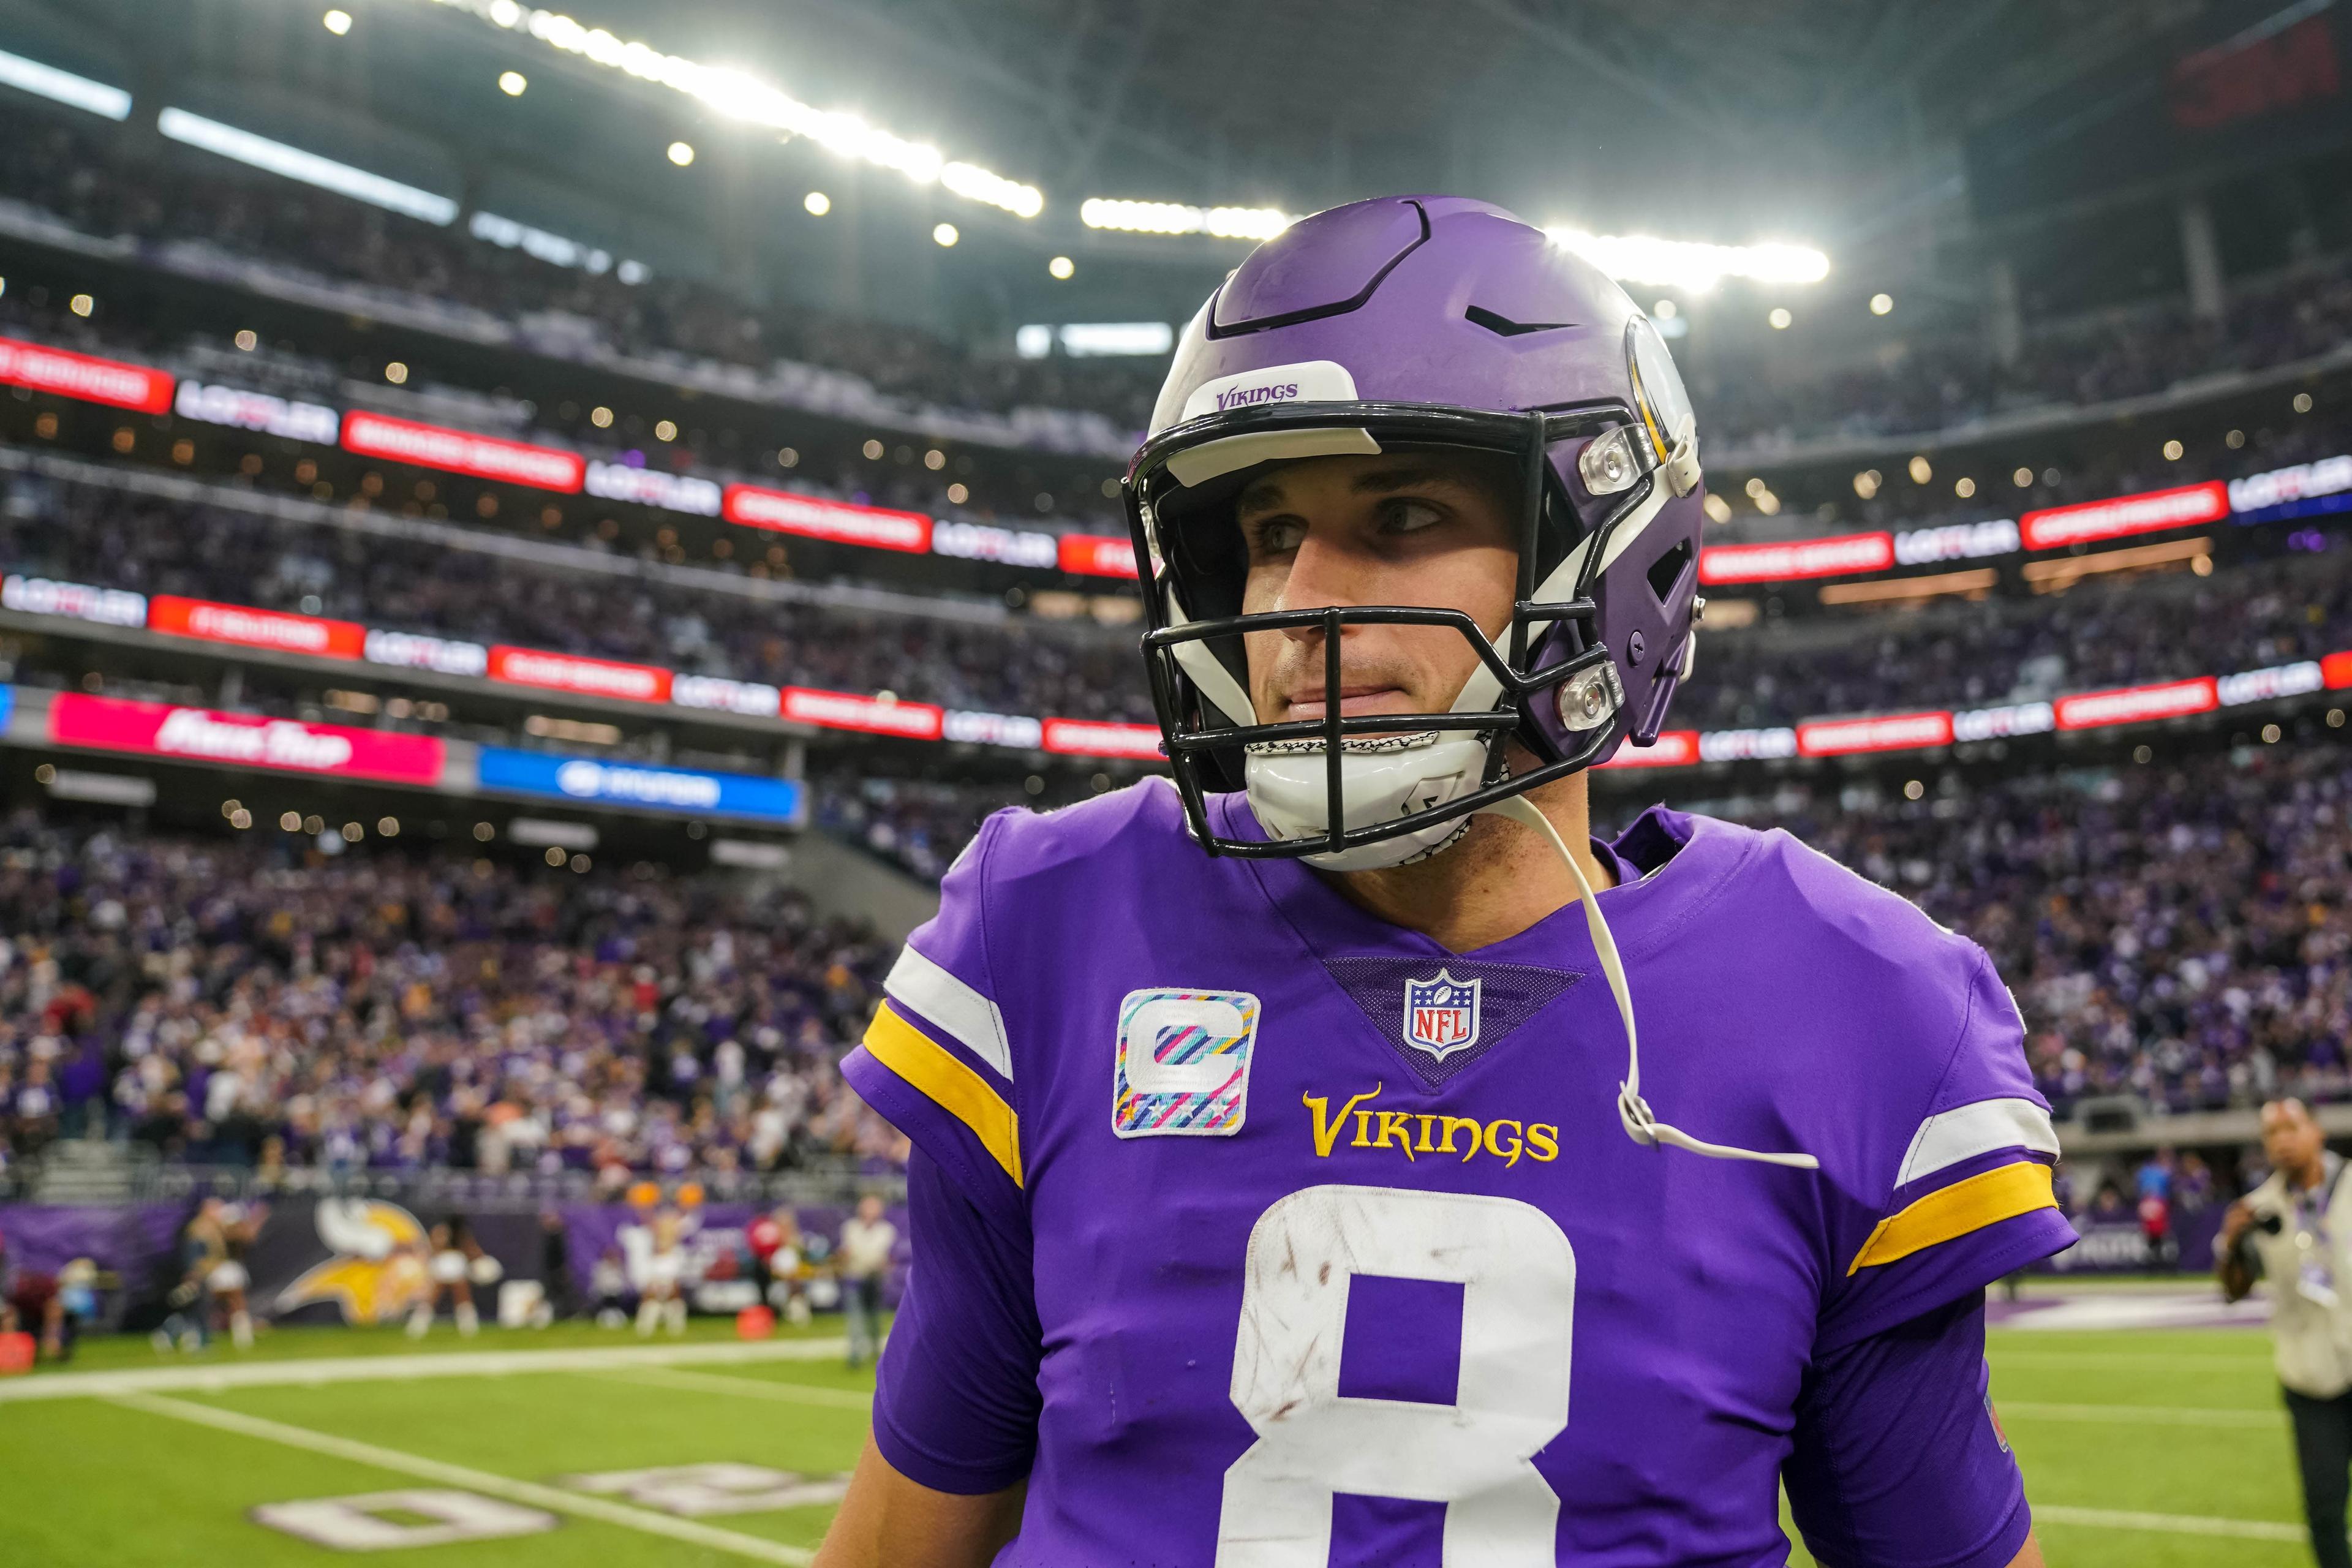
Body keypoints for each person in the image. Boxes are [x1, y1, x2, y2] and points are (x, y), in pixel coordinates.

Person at [817, 197, 2069, 1567]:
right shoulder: (1051, 924)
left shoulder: (1855, 1001)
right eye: (1268, 530)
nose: (1297, 599)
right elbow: (908, 1531)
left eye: (1401, 513)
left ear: (1610, 558)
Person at [2220, 1098, 2352, 1568]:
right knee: (2324, 1508)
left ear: (2317, 1131)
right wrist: (2231, 1248)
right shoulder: (2259, 1209)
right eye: (2271, 1133)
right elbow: (2235, 1292)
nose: (2282, 1140)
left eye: (2291, 1127)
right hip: (2310, 1378)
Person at [836, 1194, 897, 1368]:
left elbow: (885, 1256)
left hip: (875, 1278)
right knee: (855, 1317)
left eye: (874, 1207)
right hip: (855, 1277)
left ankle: (876, 1351)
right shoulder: (850, 1228)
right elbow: (847, 1252)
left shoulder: (886, 1230)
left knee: (874, 1318)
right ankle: (855, 1354)